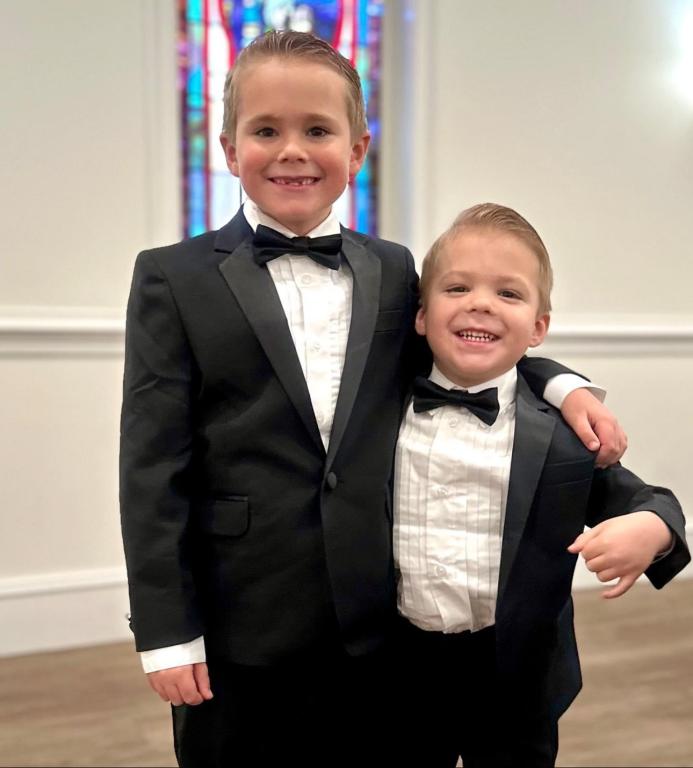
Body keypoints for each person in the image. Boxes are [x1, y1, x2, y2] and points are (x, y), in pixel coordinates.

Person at [120, 32, 625, 768]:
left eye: (317, 130)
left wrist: (559, 380)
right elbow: (150, 470)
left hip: (373, 622)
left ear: (357, 149)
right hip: (240, 622)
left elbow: (465, 349)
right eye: (266, 130)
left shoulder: (391, 270)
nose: (292, 149)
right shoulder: (172, 277)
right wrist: (167, 632)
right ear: (229, 149)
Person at [393, 202, 690, 768]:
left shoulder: (563, 437)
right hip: (396, 668)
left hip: (516, 676)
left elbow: (653, 502)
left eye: (508, 293)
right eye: (457, 288)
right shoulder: (377, 410)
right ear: (422, 315)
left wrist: (650, 529)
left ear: (538, 327)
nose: (480, 302)